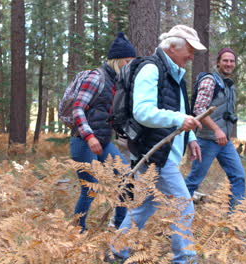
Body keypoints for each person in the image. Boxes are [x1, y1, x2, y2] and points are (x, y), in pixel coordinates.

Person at [108, 25, 206, 264]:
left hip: (166, 151)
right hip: (155, 153)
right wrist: (179, 120)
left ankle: (116, 252)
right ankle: (184, 260)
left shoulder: (175, 74)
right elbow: (143, 112)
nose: (192, 57)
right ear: (172, 48)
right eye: (190, 50)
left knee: (144, 207)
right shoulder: (152, 69)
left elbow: (181, 111)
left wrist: (190, 138)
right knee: (183, 207)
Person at [70, 32, 136, 232]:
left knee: (126, 179)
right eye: (127, 61)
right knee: (89, 188)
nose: (130, 65)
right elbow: (77, 108)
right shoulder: (95, 77)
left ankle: (116, 227)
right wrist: (89, 137)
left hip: (105, 141)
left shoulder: (118, 82)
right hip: (83, 141)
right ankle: (77, 232)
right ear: (117, 60)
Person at [185, 47, 246, 207]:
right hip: (206, 140)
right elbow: (199, 109)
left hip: (224, 141)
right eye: (225, 60)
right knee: (194, 181)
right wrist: (216, 129)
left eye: (232, 61)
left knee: (238, 176)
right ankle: (175, 216)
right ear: (218, 62)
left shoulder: (228, 84)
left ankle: (236, 220)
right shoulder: (210, 81)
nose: (229, 64)